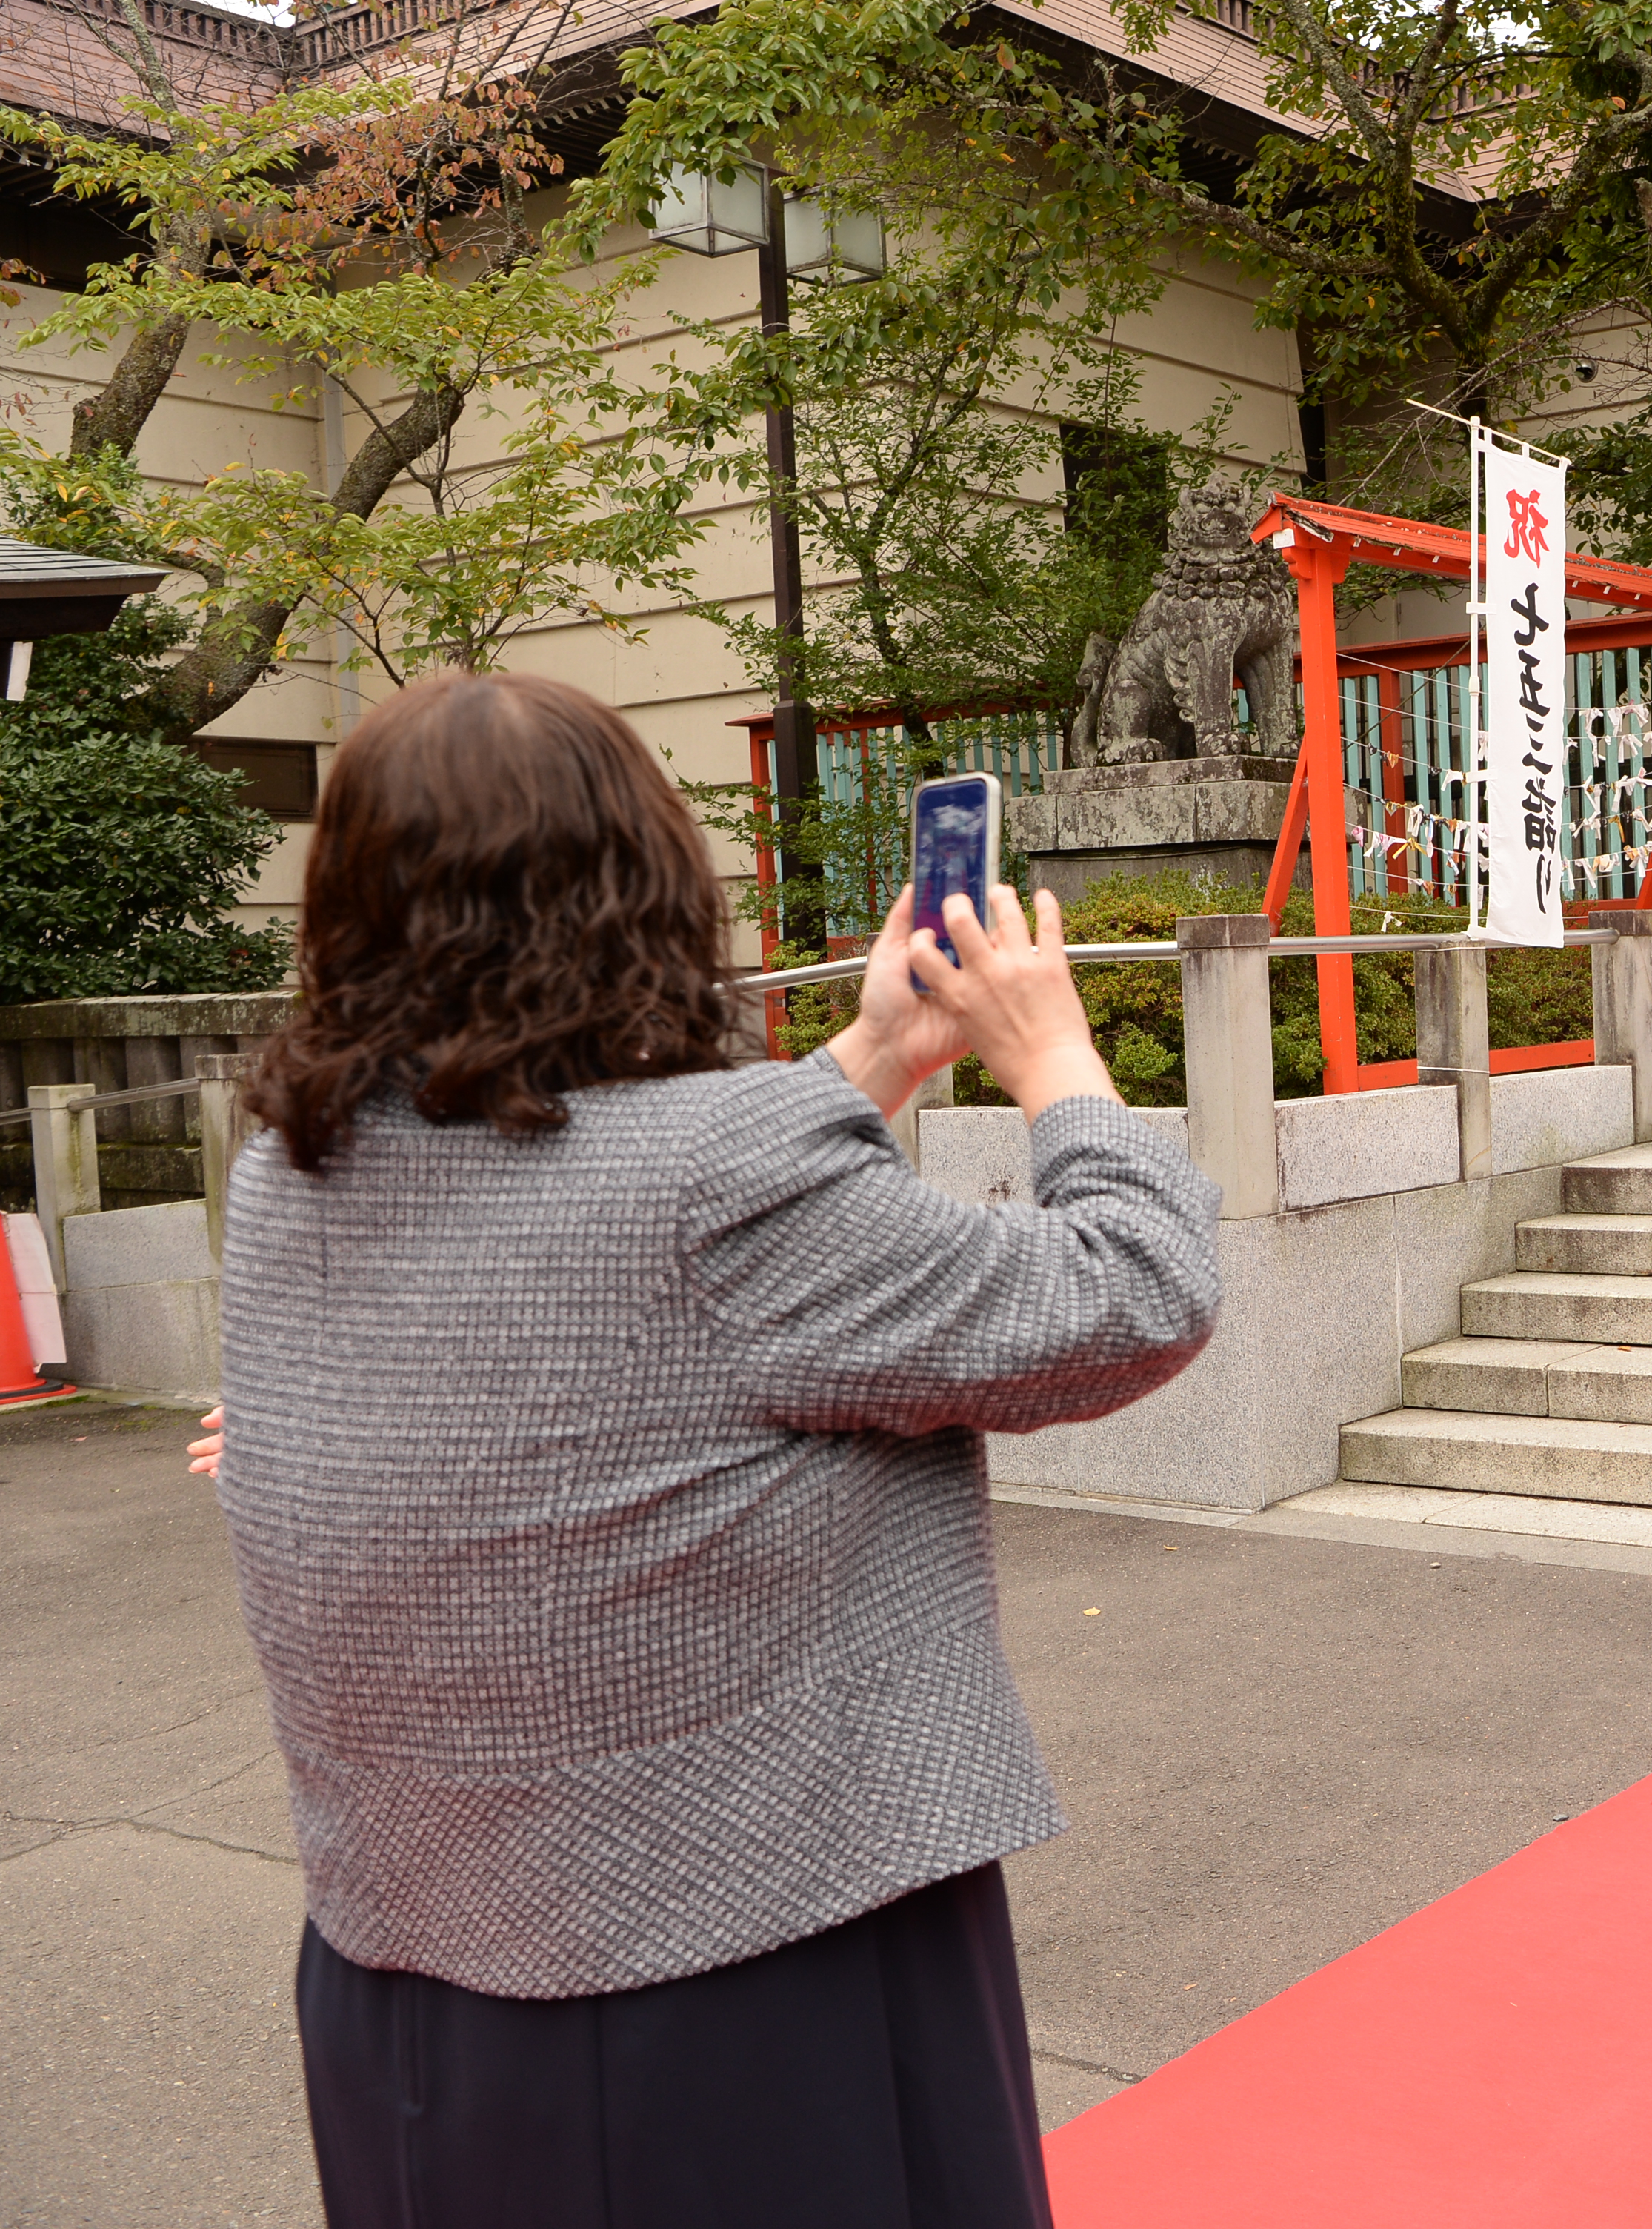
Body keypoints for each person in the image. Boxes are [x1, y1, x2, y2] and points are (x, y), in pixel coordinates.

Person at [198, 671, 1222, 2227]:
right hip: (739, 1967)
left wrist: (874, 1052)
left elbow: (600, 1228)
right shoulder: (719, 1179)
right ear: (647, 885)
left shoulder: (294, 1164)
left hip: (402, 1968)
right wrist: (1052, 1056)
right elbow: (1133, 1298)